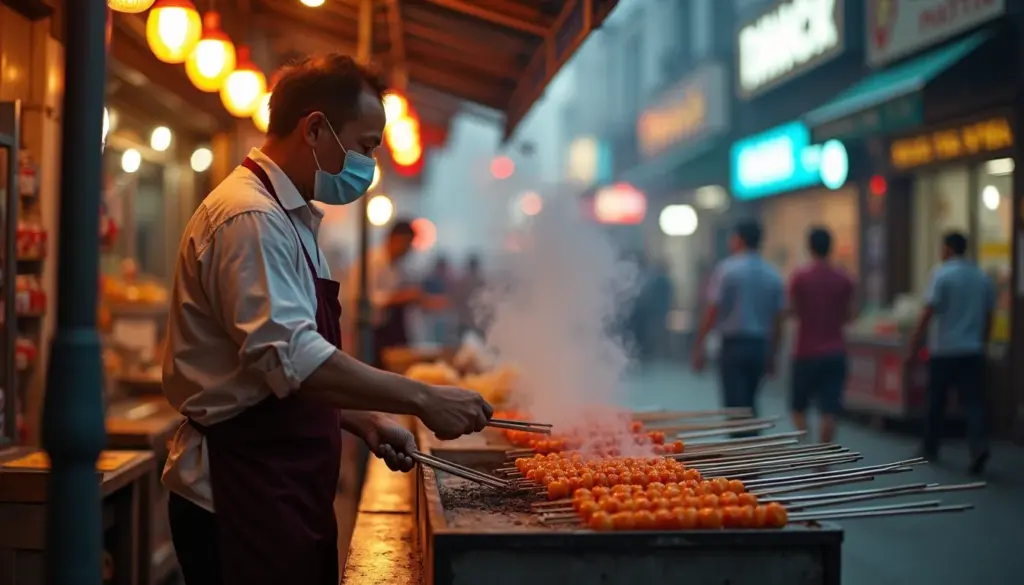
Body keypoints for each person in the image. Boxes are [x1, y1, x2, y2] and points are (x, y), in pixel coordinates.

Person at [161, 52, 493, 585]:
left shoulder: (289, 218)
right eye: (364, 146)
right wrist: (423, 397)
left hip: (280, 481)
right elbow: (292, 357)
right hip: (240, 486)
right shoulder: (251, 219)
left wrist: (357, 417)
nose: (369, 163)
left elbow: (268, 371)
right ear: (315, 129)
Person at [905, 232, 993, 475]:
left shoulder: (941, 274)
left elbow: (928, 311)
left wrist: (914, 343)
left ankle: (931, 447)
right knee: (974, 402)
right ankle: (979, 446)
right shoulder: (980, 275)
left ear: (948, 248)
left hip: (944, 349)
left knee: (936, 401)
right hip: (972, 349)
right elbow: (989, 315)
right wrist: (982, 341)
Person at [691, 220, 784, 432]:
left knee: (734, 407)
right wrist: (773, 355)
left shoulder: (727, 270)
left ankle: (744, 453)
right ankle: (751, 446)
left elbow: (712, 311)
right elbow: (778, 319)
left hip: (733, 347)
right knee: (750, 402)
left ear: (739, 239)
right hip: (760, 346)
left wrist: (698, 347)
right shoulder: (773, 273)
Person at [788, 227, 856, 444]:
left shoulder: (800, 277)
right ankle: (823, 459)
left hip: (806, 351)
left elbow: (792, 310)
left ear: (810, 247)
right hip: (835, 351)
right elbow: (850, 314)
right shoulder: (844, 278)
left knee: (798, 407)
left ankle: (807, 448)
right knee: (829, 409)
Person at [345, 219, 443, 366]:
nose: (408, 249)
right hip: (371, 334)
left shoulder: (401, 266)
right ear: (394, 239)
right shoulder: (369, 262)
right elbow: (362, 299)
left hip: (394, 334)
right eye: (406, 243)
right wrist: (401, 297)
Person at [452, 253, 486, 337]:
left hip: (464, 319)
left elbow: (457, 299)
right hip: (477, 320)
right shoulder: (481, 282)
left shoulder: (462, 281)